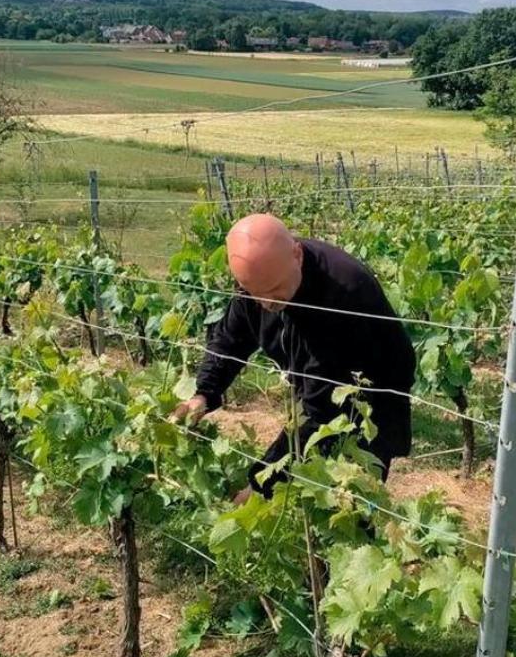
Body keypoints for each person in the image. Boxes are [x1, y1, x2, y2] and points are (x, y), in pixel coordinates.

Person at [170, 213, 416, 502]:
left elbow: (320, 409)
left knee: (353, 496)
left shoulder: (342, 296)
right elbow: (231, 338)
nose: (267, 303)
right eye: (256, 294)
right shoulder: (261, 278)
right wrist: (204, 393)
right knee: (303, 485)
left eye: (275, 291)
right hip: (320, 387)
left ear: (297, 255)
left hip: (372, 394)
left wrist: (261, 483)